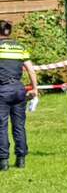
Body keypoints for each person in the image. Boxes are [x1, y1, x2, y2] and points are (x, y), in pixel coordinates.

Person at [0, 20, 38, 171]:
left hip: (2, 90)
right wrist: (35, 89)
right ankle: (21, 159)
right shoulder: (20, 47)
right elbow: (31, 70)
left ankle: (3, 162)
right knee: (19, 126)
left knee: (1, 127)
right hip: (18, 89)